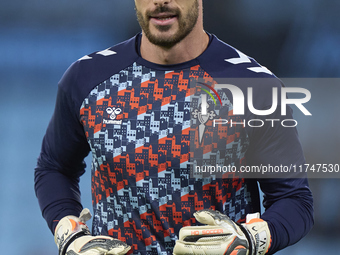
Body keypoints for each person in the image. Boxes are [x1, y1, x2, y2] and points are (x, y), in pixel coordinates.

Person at [35, 0, 314, 255]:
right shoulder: (86, 78)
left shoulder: (253, 86)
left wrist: (250, 239)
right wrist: (70, 236)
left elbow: (294, 200)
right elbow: (54, 167)